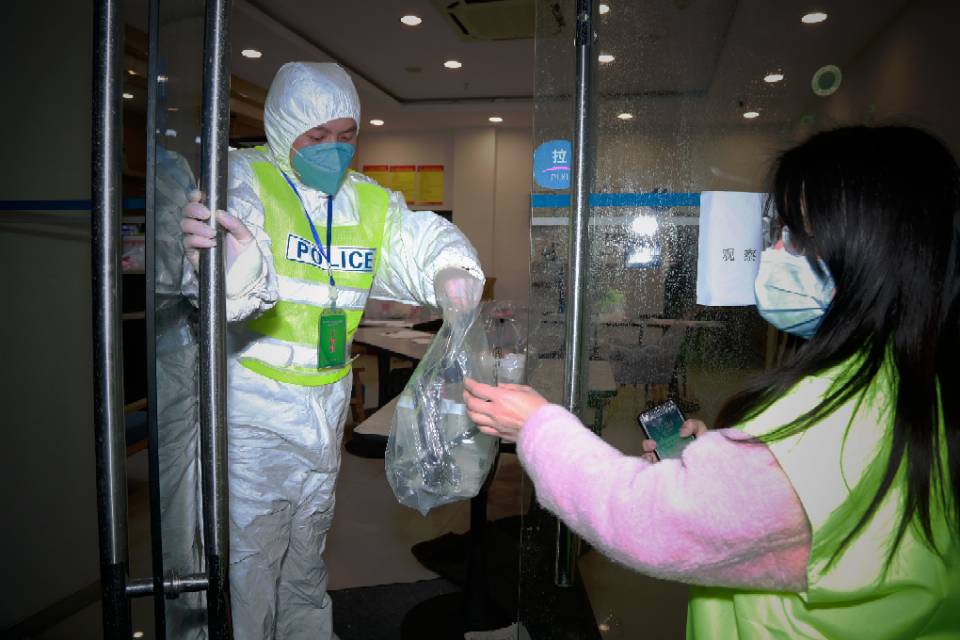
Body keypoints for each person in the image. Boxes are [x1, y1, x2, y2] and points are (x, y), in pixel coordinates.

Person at [464, 126, 960, 638]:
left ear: (867, 254)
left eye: (796, 236)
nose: (774, 252)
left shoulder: (826, 429)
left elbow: (643, 520)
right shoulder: (907, 384)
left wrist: (537, 425)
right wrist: (722, 466)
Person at [180, 62, 484, 639]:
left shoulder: (364, 201)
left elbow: (417, 238)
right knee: (246, 566)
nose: (334, 149)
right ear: (282, 127)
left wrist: (452, 270)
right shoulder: (243, 178)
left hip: (325, 405)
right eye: (317, 135)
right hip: (253, 410)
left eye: (347, 135)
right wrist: (231, 272)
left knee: (305, 556)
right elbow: (222, 272)